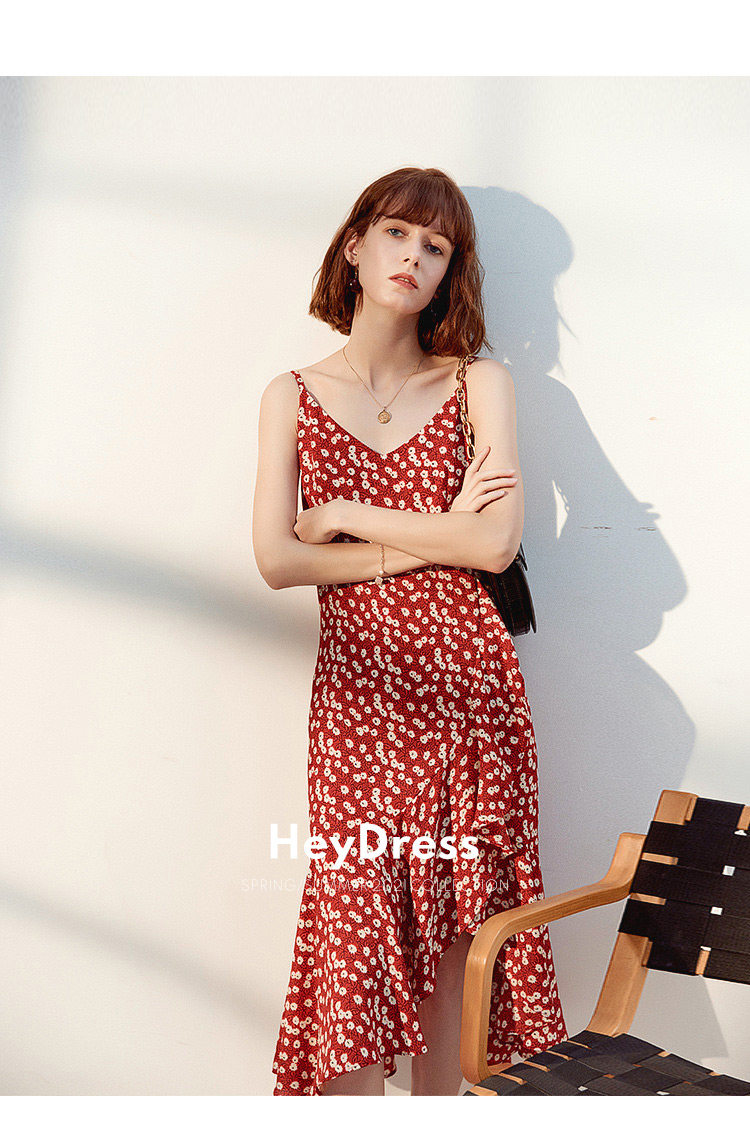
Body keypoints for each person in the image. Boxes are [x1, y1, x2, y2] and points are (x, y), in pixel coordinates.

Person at [252, 166, 567, 1096]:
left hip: (472, 695)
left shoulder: (479, 383)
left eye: (437, 247)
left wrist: (347, 514)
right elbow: (278, 559)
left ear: (448, 274)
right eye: (397, 233)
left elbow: (494, 542)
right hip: (359, 702)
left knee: (465, 928)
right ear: (354, 246)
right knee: (354, 924)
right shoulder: (291, 395)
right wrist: (435, 539)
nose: (414, 256)